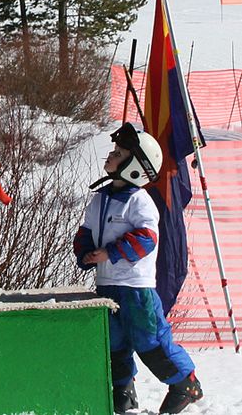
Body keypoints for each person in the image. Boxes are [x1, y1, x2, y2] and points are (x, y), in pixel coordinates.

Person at [73, 123, 203, 415]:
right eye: (114, 150)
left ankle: (185, 383)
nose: (111, 155)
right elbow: (86, 231)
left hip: (136, 287)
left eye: (118, 153)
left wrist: (110, 251)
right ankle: (123, 388)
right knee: (114, 340)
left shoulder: (140, 201)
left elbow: (147, 238)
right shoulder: (100, 199)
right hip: (107, 286)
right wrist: (85, 252)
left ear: (134, 167)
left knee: (150, 339)